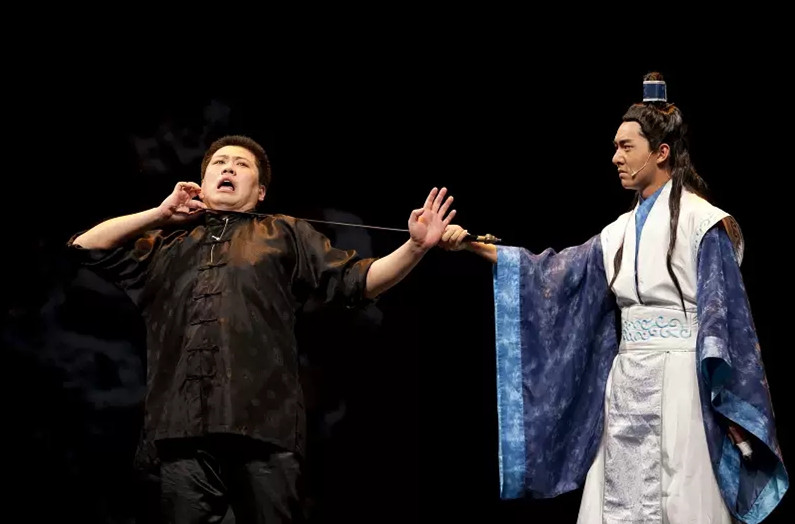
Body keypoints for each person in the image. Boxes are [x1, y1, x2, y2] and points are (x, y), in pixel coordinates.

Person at [440, 72, 788, 523]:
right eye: (616, 147)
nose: (616, 157)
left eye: (626, 147)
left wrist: (732, 403)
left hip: (681, 382)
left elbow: (727, 317)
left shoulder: (703, 223)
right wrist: (471, 244)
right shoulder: (618, 232)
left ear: (661, 152)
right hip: (625, 383)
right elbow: (553, 272)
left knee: (680, 492)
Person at [68, 134, 457, 523]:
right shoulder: (166, 244)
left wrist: (415, 247)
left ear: (260, 192)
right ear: (201, 184)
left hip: (264, 426)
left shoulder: (284, 233)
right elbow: (85, 247)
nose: (229, 168)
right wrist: (158, 214)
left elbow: (359, 280)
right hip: (180, 430)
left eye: (242, 165)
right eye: (219, 163)